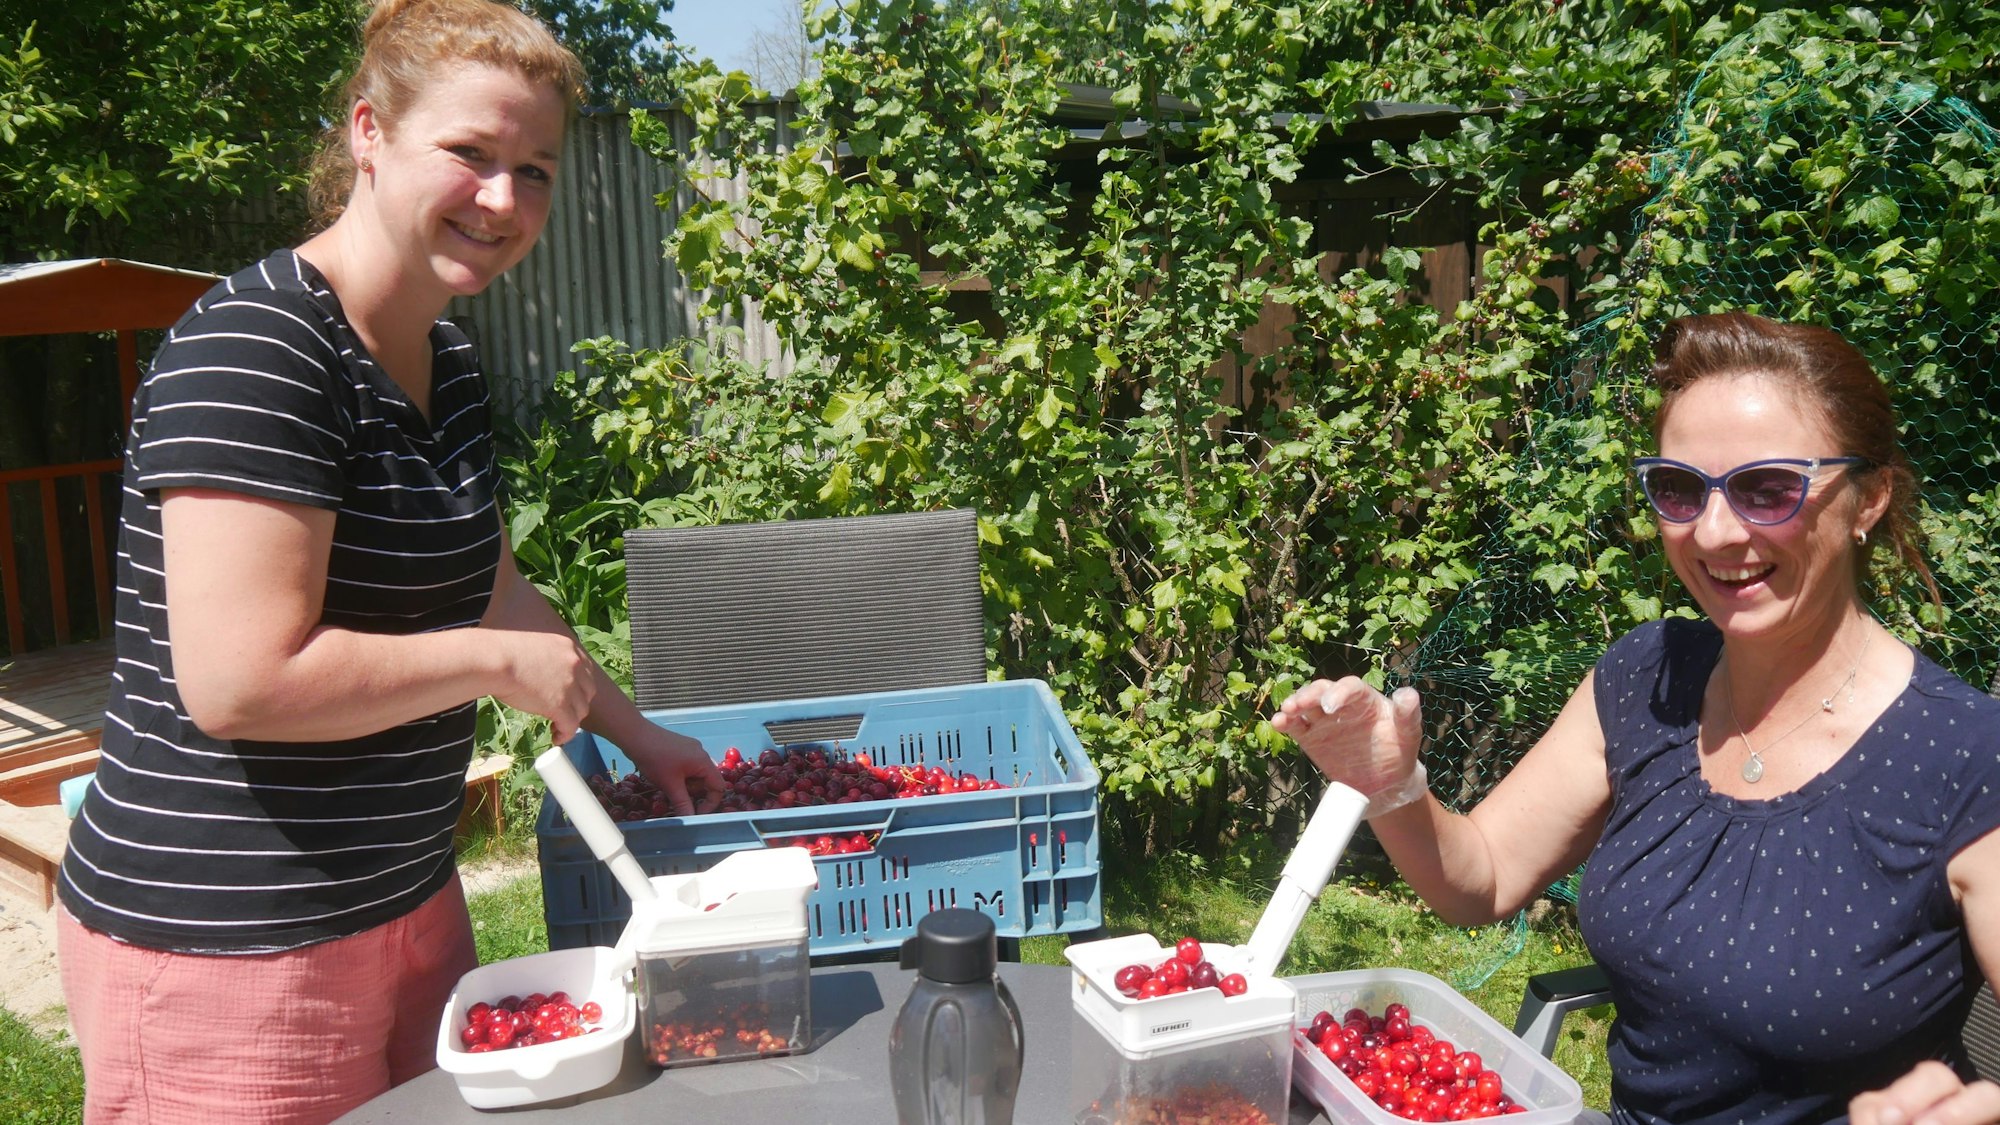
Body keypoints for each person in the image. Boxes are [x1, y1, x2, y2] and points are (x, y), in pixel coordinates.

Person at [55, 2, 723, 1121]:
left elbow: (499, 594)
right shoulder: (259, 349)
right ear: (368, 132)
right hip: (233, 945)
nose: (504, 200)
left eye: (537, 170)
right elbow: (237, 682)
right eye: (468, 153)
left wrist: (638, 733)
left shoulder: (443, 359)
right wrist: (487, 666)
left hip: (407, 907)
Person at [1273, 311, 2000, 1125]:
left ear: (1868, 498)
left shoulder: (1966, 759)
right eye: (1681, 489)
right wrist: (1391, 784)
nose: (1717, 531)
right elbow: (1481, 878)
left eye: (1768, 488)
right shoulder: (1648, 678)